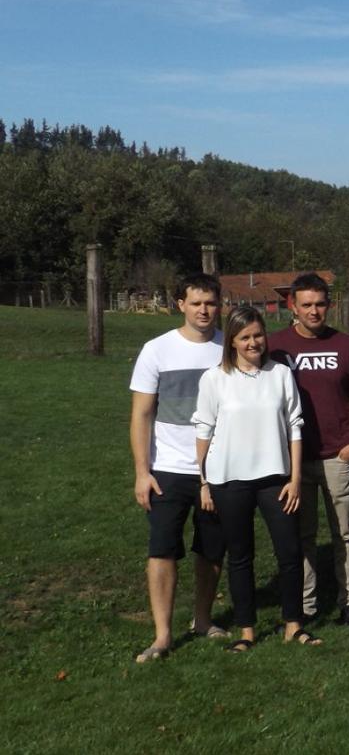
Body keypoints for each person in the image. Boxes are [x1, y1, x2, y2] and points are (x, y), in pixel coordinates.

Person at [192, 306, 316, 651]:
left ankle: (294, 625)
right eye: (244, 337)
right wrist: (203, 482)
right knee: (240, 555)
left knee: (289, 552)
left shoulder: (280, 374)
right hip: (229, 480)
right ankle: (246, 630)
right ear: (231, 341)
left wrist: (294, 478)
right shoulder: (214, 379)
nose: (253, 343)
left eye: (258, 335)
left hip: (276, 478)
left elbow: (295, 426)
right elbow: (203, 431)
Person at [129, 273, 229, 662]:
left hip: (218, 468)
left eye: (211, 303)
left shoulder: (229, 347)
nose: (204, 310)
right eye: (196, 303)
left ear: (219, 306)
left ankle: (203, 620)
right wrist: (142, 472)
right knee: (162, 550)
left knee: (212, 550)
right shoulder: (157, 350)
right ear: (181, 305)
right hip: (167, 469)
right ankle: (163, 635)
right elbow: (141, 414)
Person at [268, 273, 349, 628]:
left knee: (346, 531)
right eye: (307, 305)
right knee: (302, 534)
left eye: (320, 304)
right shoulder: (275, 346)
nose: (314, 311)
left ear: (329, 305)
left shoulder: (346, 345)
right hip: (293, 458)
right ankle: (306, 604)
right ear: (293, 306)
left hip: (337, 453)